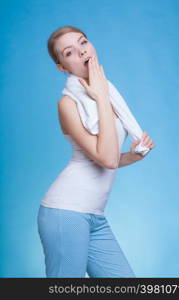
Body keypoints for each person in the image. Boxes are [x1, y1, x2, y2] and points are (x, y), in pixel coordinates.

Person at [37, 25, 155, 278]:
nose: (81, 51)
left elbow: (104, 158)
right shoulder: (68, 104)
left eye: (83, 42)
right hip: (65, 214)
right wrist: (100, 96)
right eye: (69, 52)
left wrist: (134, 156)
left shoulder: (108, 92)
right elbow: (107, 159)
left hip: (94, 216)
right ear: (62, 67)